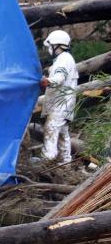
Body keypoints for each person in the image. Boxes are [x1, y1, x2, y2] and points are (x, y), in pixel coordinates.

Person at [41, 30, 78, 163]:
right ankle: (65, 163)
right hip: (65, 105)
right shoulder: (66, 59)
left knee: (51, 129)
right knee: (63, 135)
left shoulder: (63, 59)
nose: (49, 49)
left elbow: (59, 77)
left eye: (50, 46)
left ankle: (47, 160)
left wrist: (48, 81)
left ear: (56, 45)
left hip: (59, 106)